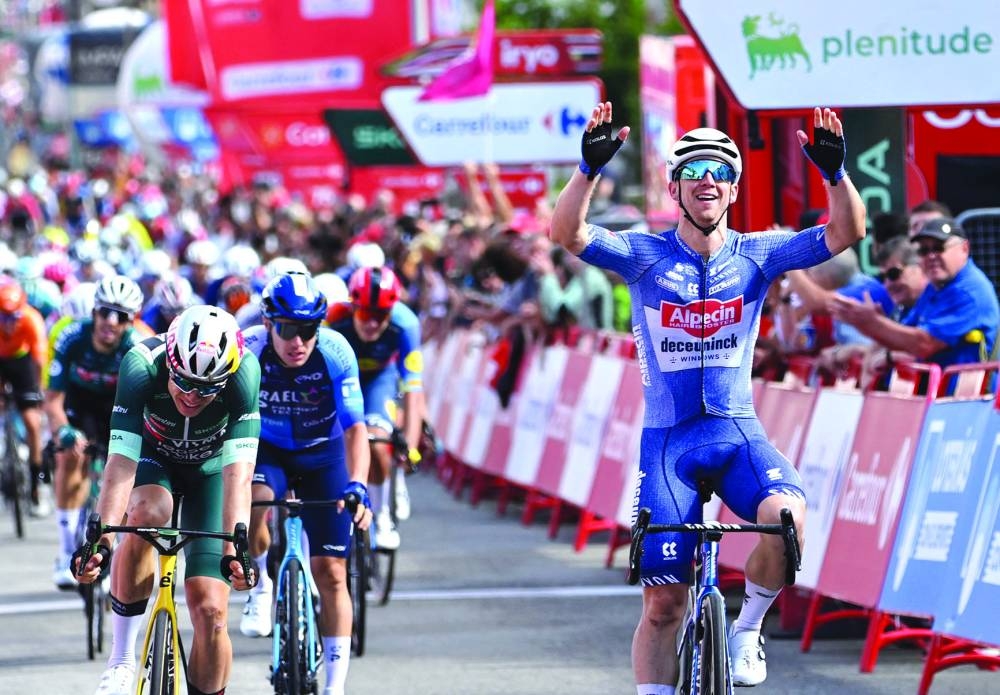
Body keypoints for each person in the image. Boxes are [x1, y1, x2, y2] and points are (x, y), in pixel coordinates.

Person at [549, 102, 866, 692]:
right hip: (669, 445)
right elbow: (567, 234)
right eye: (693, 171)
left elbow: (847, 233)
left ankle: (747, 627)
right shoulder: (644, 256)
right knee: (664, 606)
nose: (707, 180)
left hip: (736, 433)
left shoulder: (759, 254)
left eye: (719, 171)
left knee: (789, 517)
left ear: (734, 189)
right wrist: (587, 172)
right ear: (674, 187)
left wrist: (835, 174)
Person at [74, 304, 261, 695]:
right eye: (184, 381)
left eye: (208, 387)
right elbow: (121, 461)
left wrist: (237, 547)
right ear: (171, 363)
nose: (193, 396)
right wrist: (102, 541)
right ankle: (122, 661)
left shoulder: (244, 373)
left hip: (210, 473)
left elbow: (238, 475)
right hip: (151, 460)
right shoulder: (141, 365)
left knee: (210, 609)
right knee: (147, 512)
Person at [240, 273, 373, 695]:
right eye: (287, 330)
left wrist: (358, 485)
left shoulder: (336, 352)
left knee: (332, 572)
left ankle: (335, 687)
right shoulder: (248, 350)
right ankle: (260, 584)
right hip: (269, 449)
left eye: (309, 330)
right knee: (258, 501)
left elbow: (356, 431)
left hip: (323, 453)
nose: (298, 341)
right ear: (268, 323)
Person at [46, 275, 146, 590]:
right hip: (80, 406)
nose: (111, 322)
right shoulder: (71, 337)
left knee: (129, 473)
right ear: (94, 312)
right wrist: (63, 430)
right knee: (69, 456)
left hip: (119, 408)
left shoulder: (140, 345)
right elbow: (52, 400)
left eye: (121, 316)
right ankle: (65, 550)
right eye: (105, 312)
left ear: (131, 321)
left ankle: (109, 549)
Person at [326, 266, 424, 550]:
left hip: (380, 379)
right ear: (353, 307)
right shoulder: (334, 320)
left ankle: (382, 516)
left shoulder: (406, 324)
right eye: (366, 314)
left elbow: (413, 390)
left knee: (378, 444)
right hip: (343, 379)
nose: (373, 324)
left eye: (381, 316)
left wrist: (412, 446)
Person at [832, 217, 999, 370]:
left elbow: (924, 345)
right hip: (945, 395)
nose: (931, 256)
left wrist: (874, 324)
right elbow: (903, 336)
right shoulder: (936, 287)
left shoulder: (967, 291)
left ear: (964, 248)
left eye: (939, 247)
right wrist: (873, 325)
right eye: (924, 251)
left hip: (968, 399)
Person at [0, 276, 50, 516]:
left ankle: (35, 483)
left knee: (32, 422)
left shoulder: (31, 319)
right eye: (3, 318)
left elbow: (39, 360)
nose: (9, 324)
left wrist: (38, 392)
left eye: (14, 318)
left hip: (23, 364)